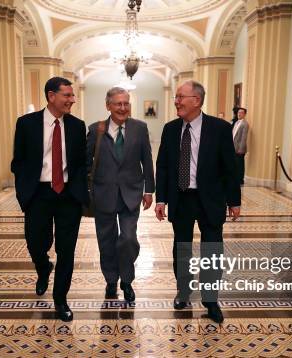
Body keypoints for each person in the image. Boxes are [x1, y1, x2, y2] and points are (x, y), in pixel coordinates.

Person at [155, 80, 241, 323]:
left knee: (212, 250)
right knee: (181, 249)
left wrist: (234, 200)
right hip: (180, 198)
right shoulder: (170, 129)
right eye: (176, 97)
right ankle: (183, 291)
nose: (177, 101)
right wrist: (161, 198)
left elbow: (230, 168)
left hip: (210, 199)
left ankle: (211, 300)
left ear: (197, 100)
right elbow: (162, 166)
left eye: (181, 97)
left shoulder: (220, 128)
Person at [11, 77, 88, 322]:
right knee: (35, 243)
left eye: (72, 95)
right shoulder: (26, 124)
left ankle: (60, 299)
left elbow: (82, 162)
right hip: (38, 194)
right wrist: (25, 189)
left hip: (68, 195)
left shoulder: (77, 125)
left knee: (67, 250)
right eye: (67, 95)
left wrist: (78, 188)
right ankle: (43, 267)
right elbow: (18, 160)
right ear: (51, 95)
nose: (71, 100)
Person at [87, 87, 154, 302]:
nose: (123, 108)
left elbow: (147, 160)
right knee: (106, 240)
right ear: (108, 106)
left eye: (126, 103)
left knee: (127, 239)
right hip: (103, 194)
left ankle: (127, 280)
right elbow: (86, 163)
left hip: (131, 194)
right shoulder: (95, 130)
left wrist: (149, 190)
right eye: (118, 104)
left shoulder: (140, 128)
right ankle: (111, 280)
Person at [232, 107, 248, 185]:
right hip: (234, 147)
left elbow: (243, 138)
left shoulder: (245, 124)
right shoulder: (236, 122)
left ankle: (240, 180)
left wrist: (240, 150)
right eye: (238, 112)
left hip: (239, 149)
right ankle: (235, 178)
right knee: (235, 164)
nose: (239, 114)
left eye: (241, 113)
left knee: (240, 165)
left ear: (244, 114)